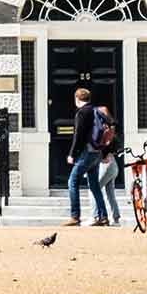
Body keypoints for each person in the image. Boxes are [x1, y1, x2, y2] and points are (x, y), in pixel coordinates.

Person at [63, 86, 110, 227]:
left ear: (77, 99)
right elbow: (111, 126)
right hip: (97, 152)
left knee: (72, 182)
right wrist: (105, 151)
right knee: (94, 185)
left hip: (87, 152)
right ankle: (103, 216)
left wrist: (72, 153)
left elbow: (78, 135)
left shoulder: (82, 113)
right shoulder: (97, 111)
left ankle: (75, 216)